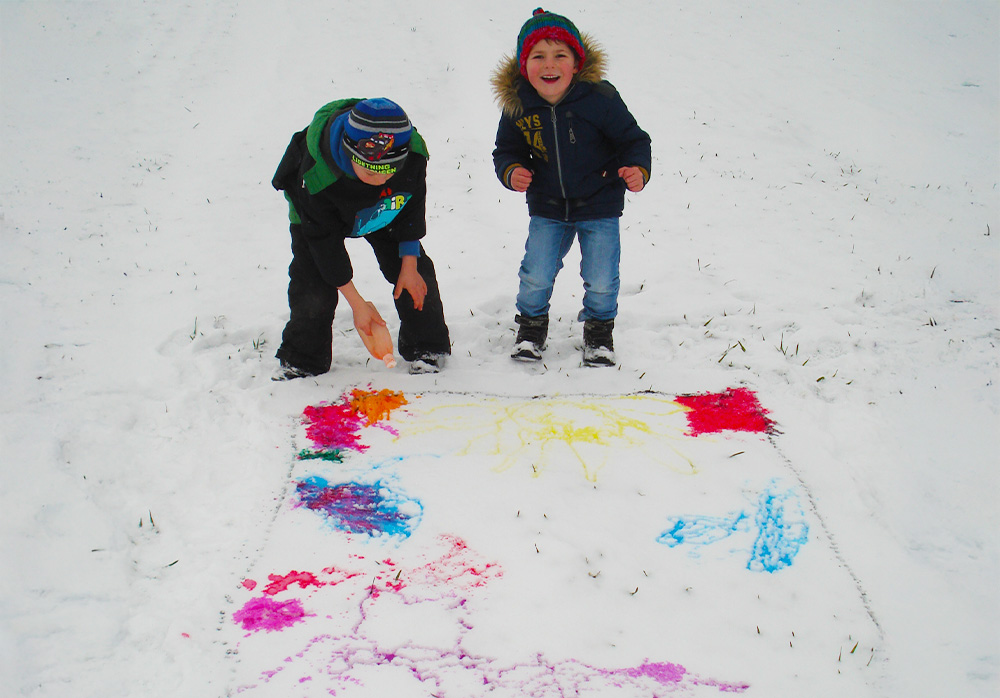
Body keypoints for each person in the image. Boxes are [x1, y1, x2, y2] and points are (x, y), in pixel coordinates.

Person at [491, 8, 651, 366]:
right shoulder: (518, 105)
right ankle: (531, 327)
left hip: (600, 202)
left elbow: (633, 140)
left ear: (576, 64)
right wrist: (511, 170)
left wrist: (638, 168)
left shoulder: (599, 99)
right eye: (538, 57)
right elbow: (507, 150)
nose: (550, 65)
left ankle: (599, 332)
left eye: (560, 55)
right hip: (548, 205)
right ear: (523, 65)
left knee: (601, 277)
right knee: (536, 272)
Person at [271, 98, 451, 378]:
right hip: (319, 216)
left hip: (381, 207)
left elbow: (411, 207)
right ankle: (303, 357)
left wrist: (409, 263)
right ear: (350, 151)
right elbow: (324, 243)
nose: (382, 178)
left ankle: (427, 345)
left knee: (415, 274)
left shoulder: (413, 156)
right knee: (313, 283)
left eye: (391, 170)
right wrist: (358, 304)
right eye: (371, 172)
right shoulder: (318, 176)